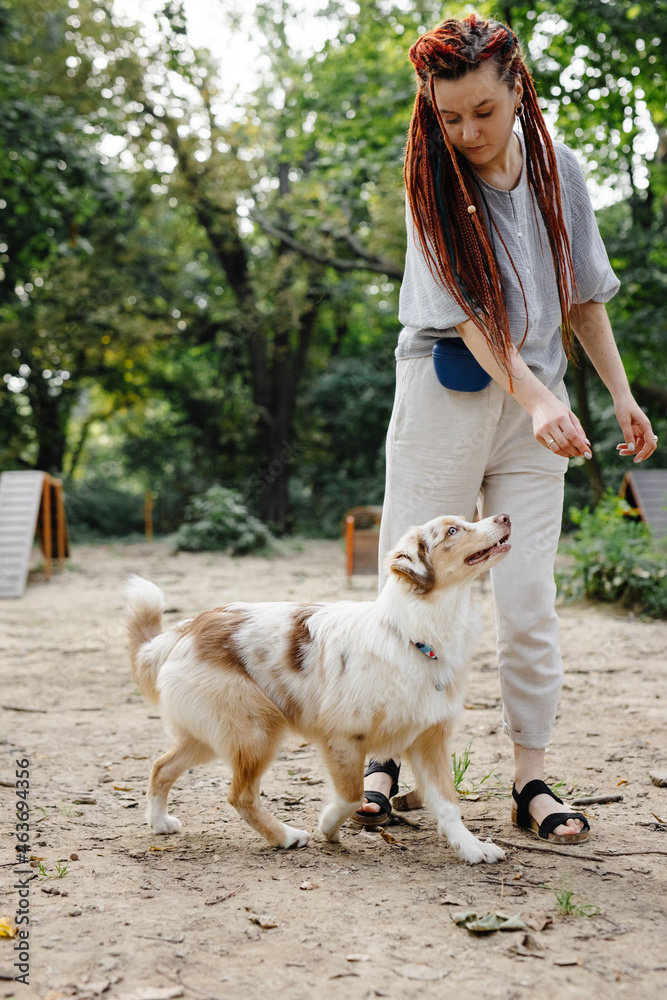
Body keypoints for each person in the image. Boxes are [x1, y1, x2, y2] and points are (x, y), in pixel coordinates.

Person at [352, 14, 657, 843]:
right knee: (410, 590)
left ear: (517, 88)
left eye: (482, 111)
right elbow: (465, 319)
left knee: (528, 601)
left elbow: (582, 295)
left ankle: (528, 779)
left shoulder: (562, 171)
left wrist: (619, 397)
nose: (466, 132)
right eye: (448, 116)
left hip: (536, 408)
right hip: (445, 399)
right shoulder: (430, 181)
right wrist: (535, 399)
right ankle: (383, 759)